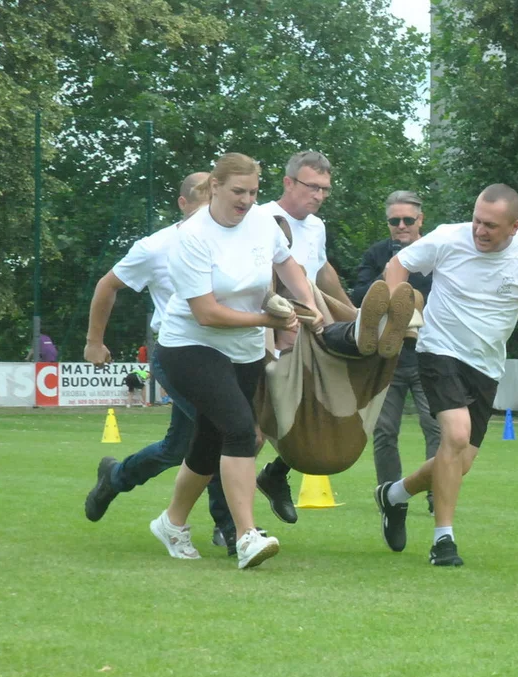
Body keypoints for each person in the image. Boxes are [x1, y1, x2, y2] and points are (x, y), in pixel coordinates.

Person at [375, 183, 518, 566]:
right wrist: (395, 309)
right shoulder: (448, 238)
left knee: (458, 462)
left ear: (514, 226)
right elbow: (398, 264)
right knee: (455, 435)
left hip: (486, 366)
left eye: (491, 226)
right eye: (476, 221)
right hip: (439, 350)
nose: (480, 231)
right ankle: (443, 541)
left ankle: (394, 495)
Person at [150, 152, 326, 569]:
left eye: (252, 192)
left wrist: (305, 304)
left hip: (243, 348)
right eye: (237, 192)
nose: (246, 201)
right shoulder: (191, 236)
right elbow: (206, 312)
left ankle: (172, 522)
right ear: (214, 187)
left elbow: (287, 263)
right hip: (190, 345)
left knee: (209, 443)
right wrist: (271, 319)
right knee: (239, 429)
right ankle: (247, 534)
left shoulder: (264, 221)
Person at [82, 171, 239, 551]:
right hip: (177, 355)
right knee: (221, 429)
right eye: (200, 201)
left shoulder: (232, 239)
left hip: (223, 354)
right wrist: (93, 341)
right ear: (183, 204)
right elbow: (108, 284)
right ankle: (231, 528)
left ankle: (115, 477)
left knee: (176, 448)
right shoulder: (157, 247)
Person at [252, 150, 353, 523]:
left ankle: (276, 474)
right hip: (264, 333)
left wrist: (351, 311)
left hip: (306, 333)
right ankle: (231, 523)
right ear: (288, 182)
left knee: (316, 416)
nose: (320, 195)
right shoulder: (258, 218)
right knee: (251, 431)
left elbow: (322, 271)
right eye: (313, 187)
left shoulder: (317, 227)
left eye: (325, 189)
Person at [351, 190, 440, 515]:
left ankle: (436, 493)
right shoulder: (377, 254)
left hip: (430, 354)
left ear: (421, 219)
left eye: (408, 219)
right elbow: (359, 296)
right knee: (385, 431)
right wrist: (391, 270)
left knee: (437, 429)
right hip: (386, 358)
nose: (401, 225)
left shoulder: (437, 252)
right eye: (394, 220)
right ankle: (391, 496)